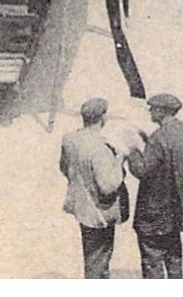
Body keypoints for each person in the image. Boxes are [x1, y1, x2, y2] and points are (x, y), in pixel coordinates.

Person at [127, 93, 183, 279]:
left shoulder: (158, 138)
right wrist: (149, 140)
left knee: (152, 259)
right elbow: (170, 158)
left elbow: (142, 170)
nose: (150, 112)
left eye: (152, 109)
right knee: (174, 257)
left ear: (162, 111)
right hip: (178, 209)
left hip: (154, 213)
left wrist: (132, 150)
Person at [60, 97, 129, 279]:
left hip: (81, 207)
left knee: (91, 256)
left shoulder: (70, 139)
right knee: (98, 261)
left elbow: (64, 168)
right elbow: (108, 186)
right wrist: (119, 160)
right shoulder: (100, 149)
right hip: (100, 212)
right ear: (102, 118)